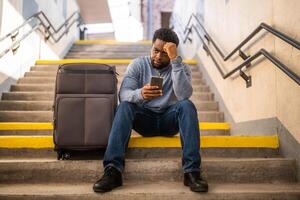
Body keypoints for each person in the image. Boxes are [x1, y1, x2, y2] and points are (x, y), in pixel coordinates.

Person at [93, 28, 208, 193]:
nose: (158, 56)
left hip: (170, 120)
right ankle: (113, 170)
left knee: (187, 106)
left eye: (165, 53)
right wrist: (140, 94)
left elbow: (183, 96)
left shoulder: (181, 68)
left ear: (172, 53)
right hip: (144, 119)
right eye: (155, 50)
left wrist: (175, 61)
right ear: (151, 46)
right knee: (125, 106)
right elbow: (124, 94)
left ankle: (192, 172)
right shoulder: (138, 65)